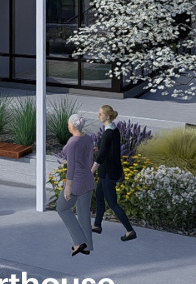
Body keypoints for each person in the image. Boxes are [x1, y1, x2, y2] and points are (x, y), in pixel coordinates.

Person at [91, 105, 137, 241]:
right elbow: (108, 148)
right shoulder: (113, 130)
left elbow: (102, 156)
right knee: (99, 196)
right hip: (106, 171)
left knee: (112, 203)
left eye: (100, 114)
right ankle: (97, 225)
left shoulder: (108, 133)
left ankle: (130, 230)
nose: (98, 116)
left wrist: (91, 171)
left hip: (109, 173)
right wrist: (98, 148)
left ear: (108, 116)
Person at [57, 113, 95, 256]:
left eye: (68, 124)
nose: (68, 126)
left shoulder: (73, 143)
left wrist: (68, 187)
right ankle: (88, 246)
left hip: (77, 182)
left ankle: (80, 242)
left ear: (72, 126)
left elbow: (71, 166)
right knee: (83, 212)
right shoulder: (88, 138)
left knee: (62, 208)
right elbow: (90, 159)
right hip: (88, 179)